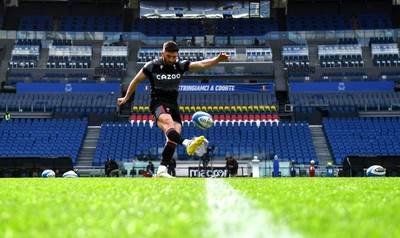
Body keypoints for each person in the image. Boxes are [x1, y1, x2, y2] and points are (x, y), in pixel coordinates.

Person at [118, 41, 230, 178]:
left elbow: (201, 65)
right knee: (168, 124)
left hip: (173, 104)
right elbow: (135, 81)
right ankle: (187, 142)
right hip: (158, 102)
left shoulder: (180, 66)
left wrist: (217, 59)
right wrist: (126, 98)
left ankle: (162, 170)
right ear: (162, 54)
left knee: (172, 139)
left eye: (174, 57)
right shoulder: (152, 66)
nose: (171, 59)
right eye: (169, 56)